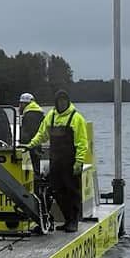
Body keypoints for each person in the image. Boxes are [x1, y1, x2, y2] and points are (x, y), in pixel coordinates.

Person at [28, 90, 89, 231]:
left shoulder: (77, 118)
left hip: (70, 162)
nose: (62, 103)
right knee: (56, 191)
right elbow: (42, 134)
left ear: (68, 102)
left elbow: (82, 142)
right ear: (56, 102)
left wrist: (79, 162)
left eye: (64, 101)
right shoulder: (51, 116)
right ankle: (67, 219)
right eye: (59, 101)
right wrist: (31, 145)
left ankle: (73, 221)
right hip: (55, 161)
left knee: (72, 192)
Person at [18, 91, 45, 179]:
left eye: (20, 104)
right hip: (37, 144)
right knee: (36, 166)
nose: (19, 106)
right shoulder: (39, 113)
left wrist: (21, 145)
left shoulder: (30, 114)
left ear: (24, 104)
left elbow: (26, 133)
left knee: (31, 172)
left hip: (30, 146)